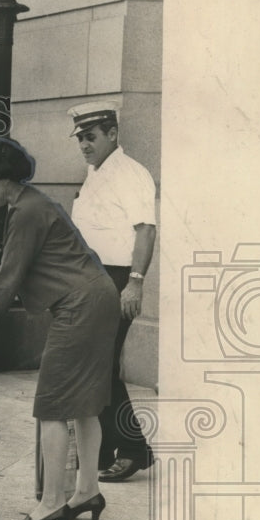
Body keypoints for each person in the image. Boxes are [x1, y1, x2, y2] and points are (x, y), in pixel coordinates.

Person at [0, 137, 120, 520]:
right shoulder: (31, 204)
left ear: (4, 176)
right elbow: (4, 273)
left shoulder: (27, 211)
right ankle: (86, 491)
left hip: (80, 306)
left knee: (52, 405)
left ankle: (51, 503)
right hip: (95, 299)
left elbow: (8, 278)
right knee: (85, 405)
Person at [68, 102, 157, 483]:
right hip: (91, 277)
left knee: (101, 366)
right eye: (81, 139)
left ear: (113, 134)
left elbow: (146, 231)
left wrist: (134, 281)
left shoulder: (131, 173)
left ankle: (135, 448)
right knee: (93, 364)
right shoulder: (95, 173)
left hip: (116, 277)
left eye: (91, 137)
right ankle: (103, 448)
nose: (84, 145)